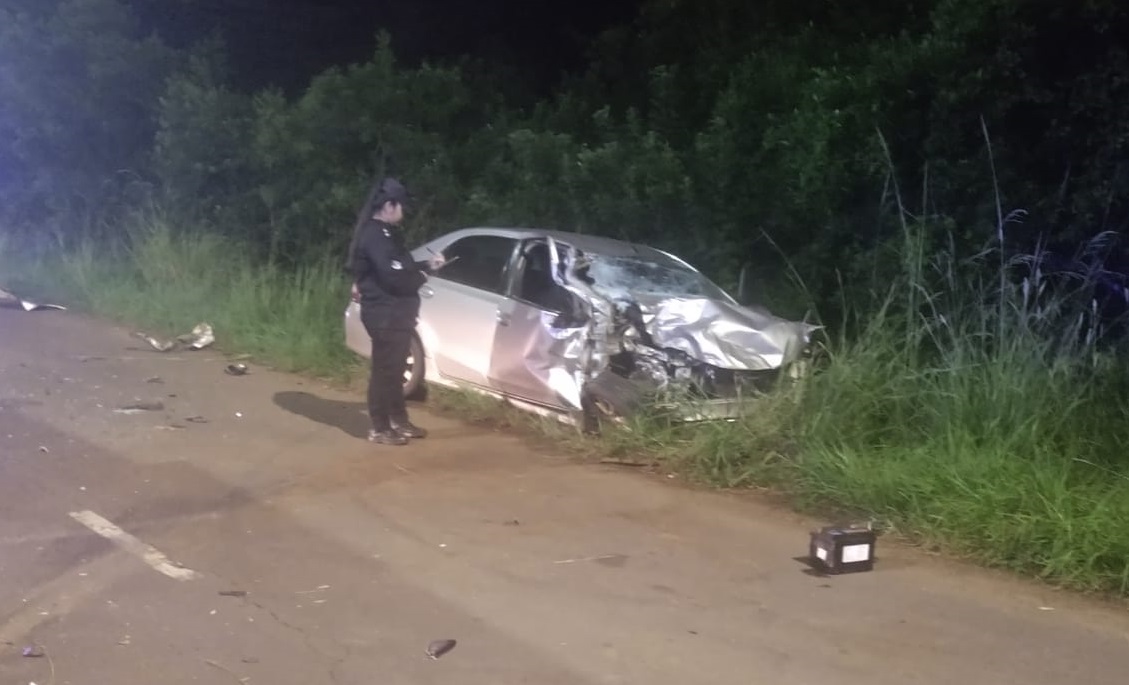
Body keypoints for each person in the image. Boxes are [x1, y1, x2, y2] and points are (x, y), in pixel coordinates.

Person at [347, 177, 445, 446]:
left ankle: (398, 420)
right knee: (385, 370)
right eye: (401, 206)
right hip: (383, 312)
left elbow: (402, 266)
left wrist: (427, 264)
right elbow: (393, 276)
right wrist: (424, 274)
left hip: (397, 313)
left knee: (395, 368)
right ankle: (379, 427)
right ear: (389, 205)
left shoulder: (388, 234)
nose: (404, 212)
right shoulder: (374, 235)